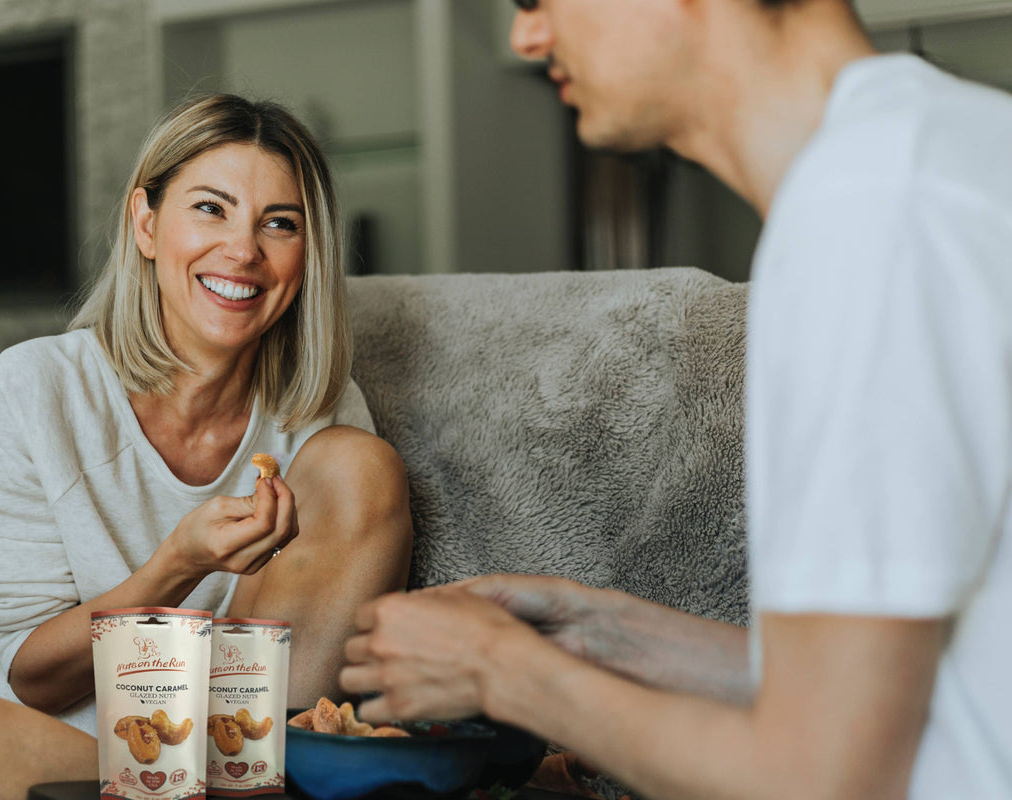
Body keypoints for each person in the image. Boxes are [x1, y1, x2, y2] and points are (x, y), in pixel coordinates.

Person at [340, 1, 1012, 798]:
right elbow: (902, 690)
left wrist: (502, 672)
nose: (524, 37)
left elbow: (822, 778)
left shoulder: (867, 219)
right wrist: (596, 636)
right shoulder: (949, 147)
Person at [0, 93, 413, 800]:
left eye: (278, 223)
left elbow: (321, 664)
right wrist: (177, 565)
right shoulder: (37, 388)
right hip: (43, 759)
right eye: (210, 209)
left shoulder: (324, 414)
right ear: (147, 223)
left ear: (307, 253)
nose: (244, 250)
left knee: (359, 466)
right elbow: (33, 678)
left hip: (225, 769)